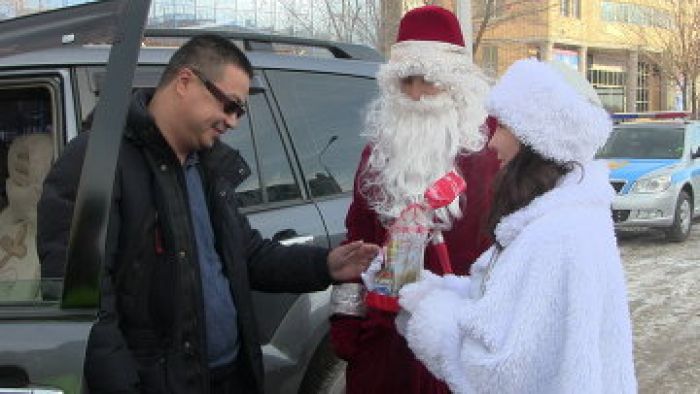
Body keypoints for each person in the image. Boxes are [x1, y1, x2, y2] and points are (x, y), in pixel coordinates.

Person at [36, 34, 378, 394]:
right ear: (185, 82)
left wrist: (326, 265)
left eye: (240, 112)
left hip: (229, 376)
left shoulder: (209, 166)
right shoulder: (95, 162)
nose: (233, 122)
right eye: (230, 105)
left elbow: (246, 254)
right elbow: (83, 304)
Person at [398, 59, 637, 393]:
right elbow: (510, 307)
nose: (492, 141)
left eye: (505, 127)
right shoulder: (568, 217)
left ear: (540, 140)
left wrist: (429, 312)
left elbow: (500, 372)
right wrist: (436, 289)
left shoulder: (554, 236)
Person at [329, 5, 499, 394]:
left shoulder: (492, 151)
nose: (416, 95)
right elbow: (355, 241)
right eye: (406, 81)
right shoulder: (379, 153)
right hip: (389, 353)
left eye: (429, 81)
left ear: (456, 84)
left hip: (464, 351)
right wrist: (347, 322)